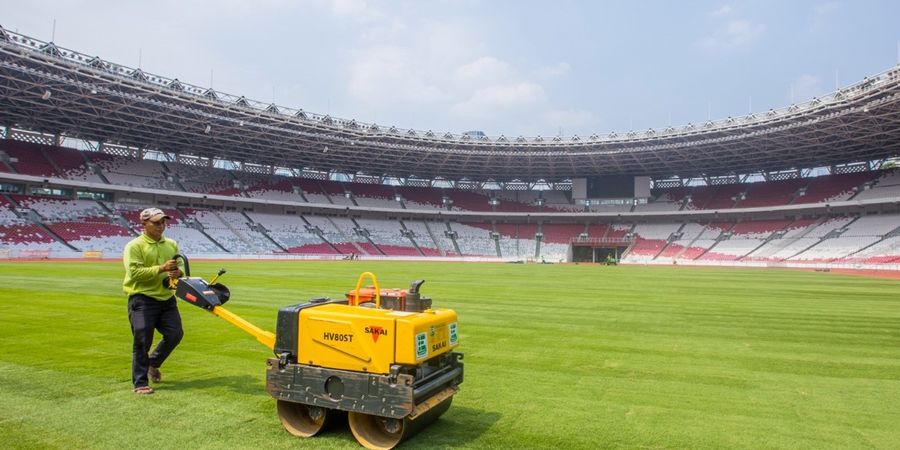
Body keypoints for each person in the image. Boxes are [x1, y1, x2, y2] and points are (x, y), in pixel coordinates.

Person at [122, 208, 184, 395]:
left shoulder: (171, 244)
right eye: (156, 223)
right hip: (142, 299)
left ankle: (153, 363)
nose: (161, 226)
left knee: (175, 334)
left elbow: (181, 268)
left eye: (163, 222)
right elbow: (135, 274)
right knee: (142, 340)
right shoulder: (135, 246)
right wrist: (162, 268)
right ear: (144, 224)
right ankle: (140, 383)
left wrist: (177, 272)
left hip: (166, 298)